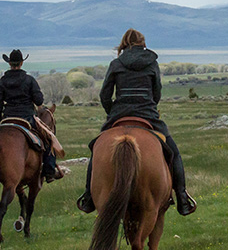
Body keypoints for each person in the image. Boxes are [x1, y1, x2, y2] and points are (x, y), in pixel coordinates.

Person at [76, 28, 197, 216]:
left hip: (119, 115)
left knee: (96, 149)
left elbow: (104, 95)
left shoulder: (116, 64)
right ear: (143, 43)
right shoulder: (152, 64)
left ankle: (89, 197)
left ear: (125, 43)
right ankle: (182, 197)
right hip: (147, 115)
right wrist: (148, 106)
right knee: (174, 152)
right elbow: (157, 93)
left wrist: (113, 112)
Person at [0, 49, 59, 181]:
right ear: (21, 63)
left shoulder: (2, 81)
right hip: (27, 117)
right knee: (48, 139)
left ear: (9, 64)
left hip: (7, 118)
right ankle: (49, 170)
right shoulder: (29, 80)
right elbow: (39, 100)